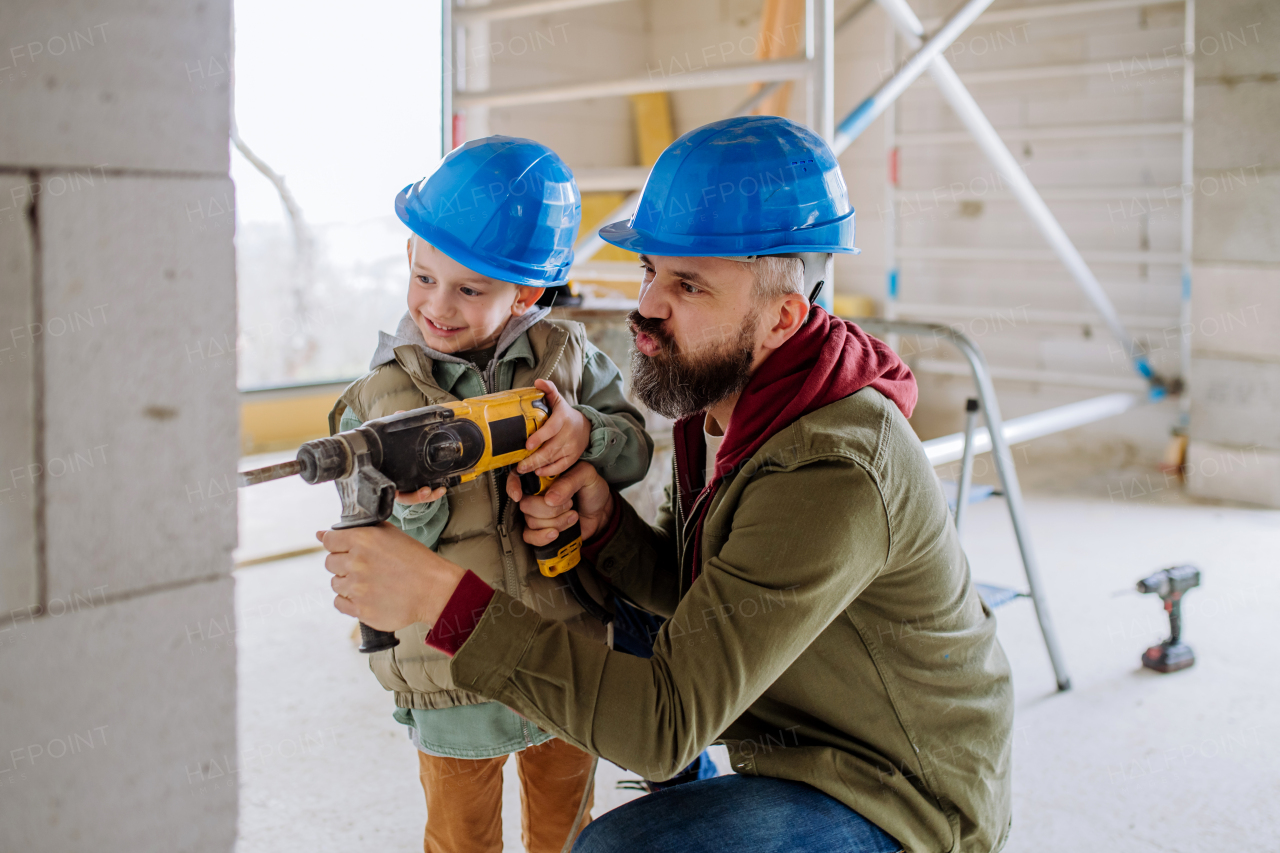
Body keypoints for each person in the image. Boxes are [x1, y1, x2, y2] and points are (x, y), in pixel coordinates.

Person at [319, 116, 1014, 853]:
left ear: (782, 316)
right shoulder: (723, 411)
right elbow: (701, 597)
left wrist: (442, 600)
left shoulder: (831, 468)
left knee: (617, 850)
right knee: (612, 610)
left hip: (896, 793)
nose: (646, 304)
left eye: (688, 284)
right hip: (796, 734)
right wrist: (606, 529)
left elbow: (663, 728)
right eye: (650, 270)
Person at [330, 135, 654, 853]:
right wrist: (416, 506)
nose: (435, 307)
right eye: (422, 277)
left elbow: (635, 447)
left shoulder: (566, 361)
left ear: (527, 293)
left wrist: (586, 436)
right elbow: (375, 555)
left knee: (568, 833)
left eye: (470, 288)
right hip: (452, 668)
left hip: (566, 650)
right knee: (460, 838)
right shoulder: (377, 399)